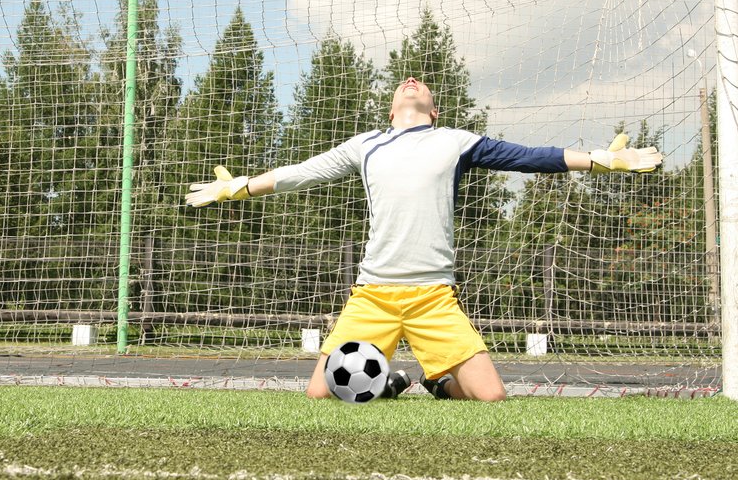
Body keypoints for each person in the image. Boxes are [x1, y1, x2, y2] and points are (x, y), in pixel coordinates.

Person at [186, 77, 662, 401]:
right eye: (403, 84)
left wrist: (598, 159)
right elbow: (300, 174)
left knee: (491, 396)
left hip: (434, 297)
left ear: (434, 109)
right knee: (318, 393)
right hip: (373, 294)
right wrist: (239, 186)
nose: (411, 80)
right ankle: (386, 382)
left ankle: (439, 384)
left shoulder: (454, 140)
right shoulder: (365, 144)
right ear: (393, 107)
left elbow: (530, 156)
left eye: (421, 86)